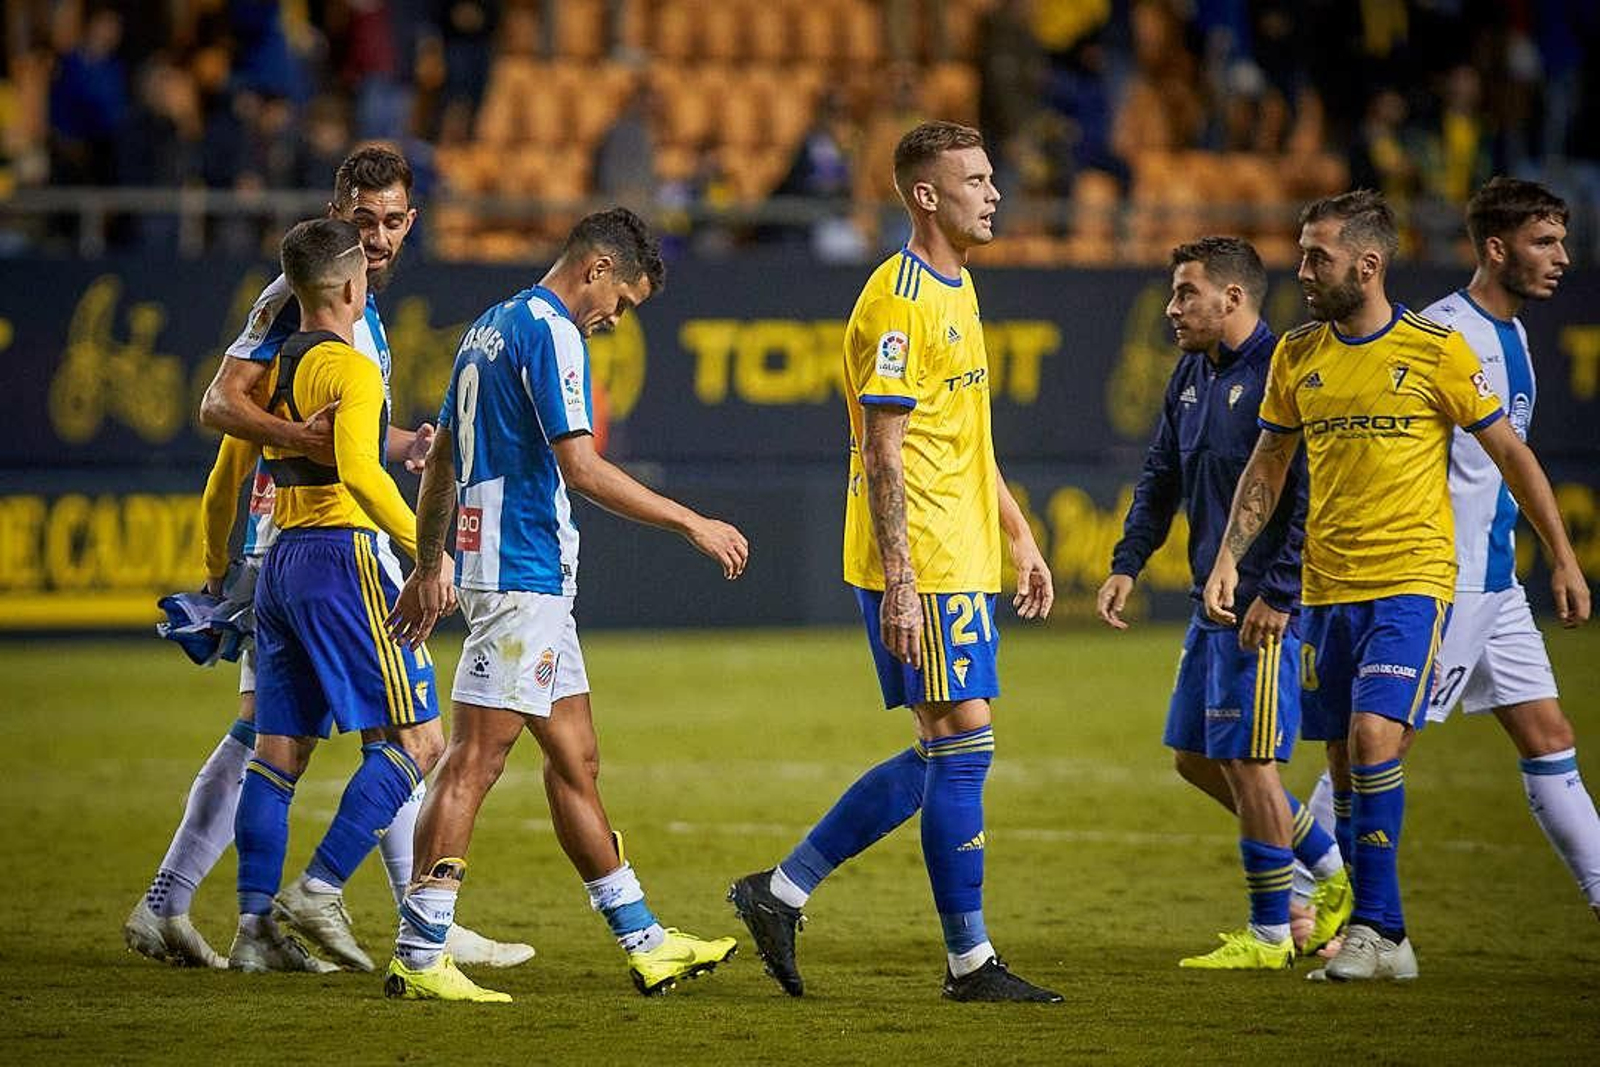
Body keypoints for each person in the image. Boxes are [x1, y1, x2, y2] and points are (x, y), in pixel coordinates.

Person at [125, 146, 530, 972]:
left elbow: (301, 433)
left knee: (270, 739)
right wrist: (420, 539)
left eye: (390, 222)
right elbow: (221, 408)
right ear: (337, 212)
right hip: (321, 539)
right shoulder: (295, 296)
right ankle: (406, 914)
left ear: (410, 221)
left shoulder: (355, 315)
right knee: (403, 733)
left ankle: (218, 913)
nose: (376, 238)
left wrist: (397, 440)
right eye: (363, 220)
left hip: (288, 552)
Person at [1203, 189, 1590, 982]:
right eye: (1302, 253)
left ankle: (1370, 923)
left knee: (1380, 740)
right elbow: (1269, 463)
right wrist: (1230, 556)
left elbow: (1513, 455)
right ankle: (1385, 936)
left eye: (1319, 256)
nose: (1302, 269)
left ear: (1369, 263)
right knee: (1346, 759)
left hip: (1419, 581)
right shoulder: (1299, 354)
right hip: (1328, 589)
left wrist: (1563, 555)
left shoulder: (1438, 347)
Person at [727, 121, 1061, 1004]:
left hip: (965, 551)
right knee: (964, 745)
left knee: (948, 746)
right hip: (924, 560)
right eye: (976, 180)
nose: (993, 193)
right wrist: (905, 588)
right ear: (926, 195)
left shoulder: (961, 287)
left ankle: (781, 890)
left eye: (993, 177)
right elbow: (884, 451)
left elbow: (966, 438)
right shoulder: (897, 298)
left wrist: (1020, 534)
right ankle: (970, 962)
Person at [382, 208, 750, 1003]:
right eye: (620, 301)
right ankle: (419, 949)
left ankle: (646, 941)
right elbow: (579, 467)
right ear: (596, 269)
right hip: (520, 574)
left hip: (523, 576)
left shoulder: (488, 326)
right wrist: (689, 518)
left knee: (574, 758)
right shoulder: (553, 332)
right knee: (473, 760)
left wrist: (430, 559)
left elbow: (441, 454)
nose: (616, 319)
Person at [1096, 236, 1351, 970]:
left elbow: (1310, 494)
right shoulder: (1189, 375)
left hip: (1265, 607)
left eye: (1185, 293)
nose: (1172, 308)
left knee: (1248, 761)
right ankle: (1328, 866)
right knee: (1195, 757)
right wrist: (1127, 563)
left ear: (1232, 299)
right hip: (1213, 599)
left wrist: (1281, 590)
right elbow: (1159, 477)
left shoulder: (1284, 371)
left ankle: (1272, 932)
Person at [225, 217, 443, 973]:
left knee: (277, 753)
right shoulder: (352, 367)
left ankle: (253, 929)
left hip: (279, 560)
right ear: (353, 287)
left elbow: (227, 472)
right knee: (418, 741)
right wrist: (427, 548)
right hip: (341, 557)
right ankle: (319, 887)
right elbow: (360, 471)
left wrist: (210, 566)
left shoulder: (268, 368)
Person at [1417, 178, 1600, 919]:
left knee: (1549, 735)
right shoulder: (1441, 334)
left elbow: (1509, 464)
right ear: (1496, 249)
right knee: (1376, 746)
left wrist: (1555, 558)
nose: (1563, 256)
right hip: (1446, 582)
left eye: (1561, 240)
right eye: (1544, 242)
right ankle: (1307, 896)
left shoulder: (1514, 333)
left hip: (1497, 586)